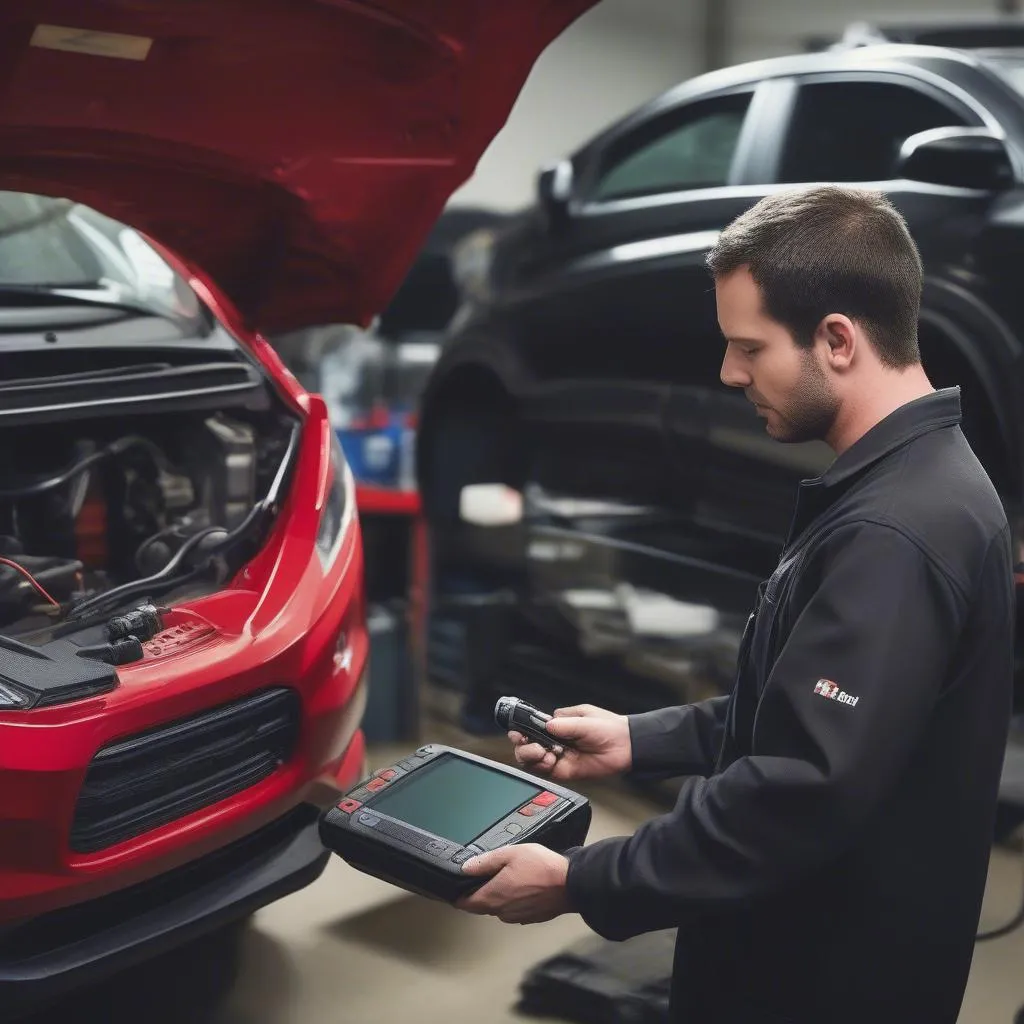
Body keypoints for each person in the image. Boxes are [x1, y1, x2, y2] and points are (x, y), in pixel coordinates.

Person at [454, 185, 1015, 1023]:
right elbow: (807, 718)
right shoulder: (915, 480)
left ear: (837, 340)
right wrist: (638, 740)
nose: (729, 373)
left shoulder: (897, 531)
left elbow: (799, 789)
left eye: (749, 347)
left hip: (824, 981)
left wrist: (582, 879)